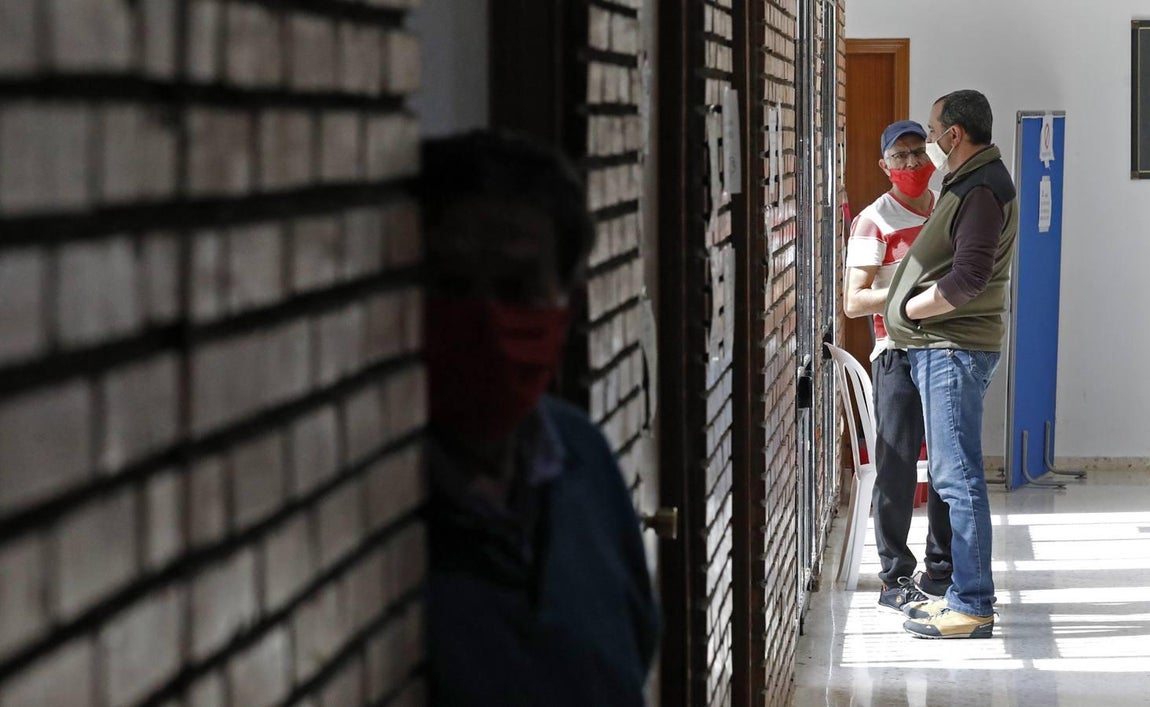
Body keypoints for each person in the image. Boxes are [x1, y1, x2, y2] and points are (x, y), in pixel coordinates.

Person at [419, 130, 661, 704]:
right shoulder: (373, 502)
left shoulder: (581, 457)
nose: (484, 318)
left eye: (516, 289)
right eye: (451, 287)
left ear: (567, 306)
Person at [883, 90, 1019, 639]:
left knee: (957, 478)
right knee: (951, 475)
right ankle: (964, 597)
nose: (931, 141)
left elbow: (967, 280)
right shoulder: (969, 183)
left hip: (951, 346)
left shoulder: (981, 188)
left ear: (954, 135)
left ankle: (972, 604)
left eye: (935, 130)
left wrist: (910, 308)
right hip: (943, 346)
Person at [843, 120, 953, 614]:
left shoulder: (947, 210)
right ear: (884, 166)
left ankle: (942, 570)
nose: (910, 164)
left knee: (951, 465)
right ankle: (893, 576)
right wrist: (909, 291)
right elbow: (853, 301)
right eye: (899, 156)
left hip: (949, 350)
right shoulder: (873, 221)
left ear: (932, 157)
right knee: (898, 467)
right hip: (897, 357)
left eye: (917, 153)